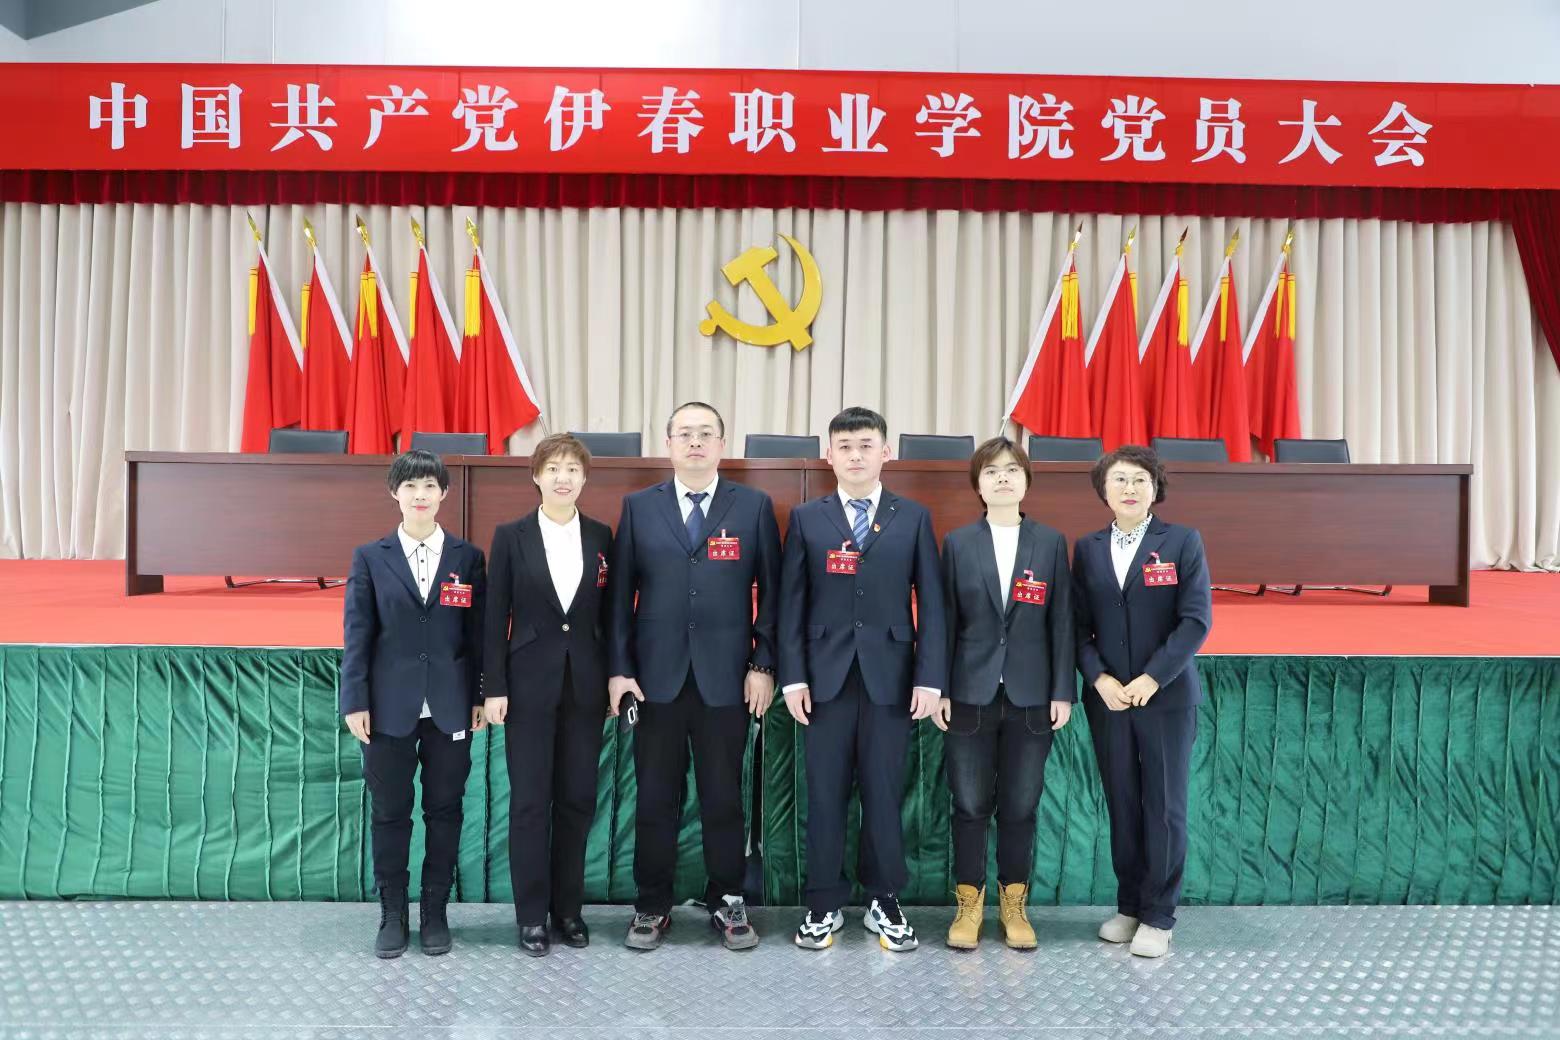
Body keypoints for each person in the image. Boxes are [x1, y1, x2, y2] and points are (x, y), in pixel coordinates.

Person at [607, 401, 783, 952]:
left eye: (706, 433)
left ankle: (728, 899)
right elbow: (619, 600)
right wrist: (620, 671)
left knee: (722, 797)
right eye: (685, 434)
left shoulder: (753, 507)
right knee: (655, 798)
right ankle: (651, 903)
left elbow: (773, 594)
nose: (695, 443)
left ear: (722, 444)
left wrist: (763, 664)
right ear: (669, 444)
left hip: (727, 679)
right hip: (654, 680)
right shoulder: (639, 507)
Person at [779, 406, 947, 952]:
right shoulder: (807, 518)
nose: (855, 455)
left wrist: (930, 678)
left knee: (883, 792)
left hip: (891, 678)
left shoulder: (912, 517)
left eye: (866, 445)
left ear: (885, 452)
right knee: (825, 794)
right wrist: (793, 677)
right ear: (828, 455)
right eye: (845, 446)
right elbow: (791, 603)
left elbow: (933, 603)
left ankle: (884, 898)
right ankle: (823, 902)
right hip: (823, 680)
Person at [339, 448, 486, 959]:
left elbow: (479, 635)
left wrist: (479, 695)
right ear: (394, 493)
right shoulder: (370, 557)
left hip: (450, 706)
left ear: (444, 493)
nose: (420, 495)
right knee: (390, 813)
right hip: (386, 708)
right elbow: (357, 633)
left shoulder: (467, 557)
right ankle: (393, 913)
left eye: (429, 486)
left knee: (445, 812)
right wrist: (355, 699)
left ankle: (436, 912)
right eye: (410, 486)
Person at [1071, 444, 1211, 959]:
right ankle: (1130, 905)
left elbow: (1195, 620)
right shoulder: (1087, 548)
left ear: (1155, 489)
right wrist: (1098, 678)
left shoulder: (1181, 541)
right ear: (1103, 490)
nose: (1129, 489)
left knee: (1165, 807)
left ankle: (1159, 915)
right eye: (1119, 480)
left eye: (1139, 480)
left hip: (1165, 698)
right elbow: (1076, 626)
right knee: (1123, 802)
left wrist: (1153, 678)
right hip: (1109, 701)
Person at [935, 436, 1074, 950]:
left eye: (1012, 469)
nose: (1002, 478)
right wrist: (940, 688)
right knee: (970, 805)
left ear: (1026, 481)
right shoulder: (957, 543)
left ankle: (1014, 905)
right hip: (967, 693)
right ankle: (969, 905)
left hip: (1032, 695)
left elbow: (1062, 621)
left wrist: (1063, 690)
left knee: (1020, 805)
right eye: (991, 471)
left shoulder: (1051, 542)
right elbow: (944, 622)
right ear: (978, 484)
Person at [482, 434, 614, 957]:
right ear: (536, 476)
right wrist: (494, 686)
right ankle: (532, 915)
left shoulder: (601, 535)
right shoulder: (510, 536)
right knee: (531, 802)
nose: (563, 478)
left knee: (578, 800)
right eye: (554, 468)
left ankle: (568, 910)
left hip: (586, 685)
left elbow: (611, 617)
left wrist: (614, 679)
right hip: (527, 687)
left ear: (584, 478)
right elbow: (494, 617)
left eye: (573, 469)